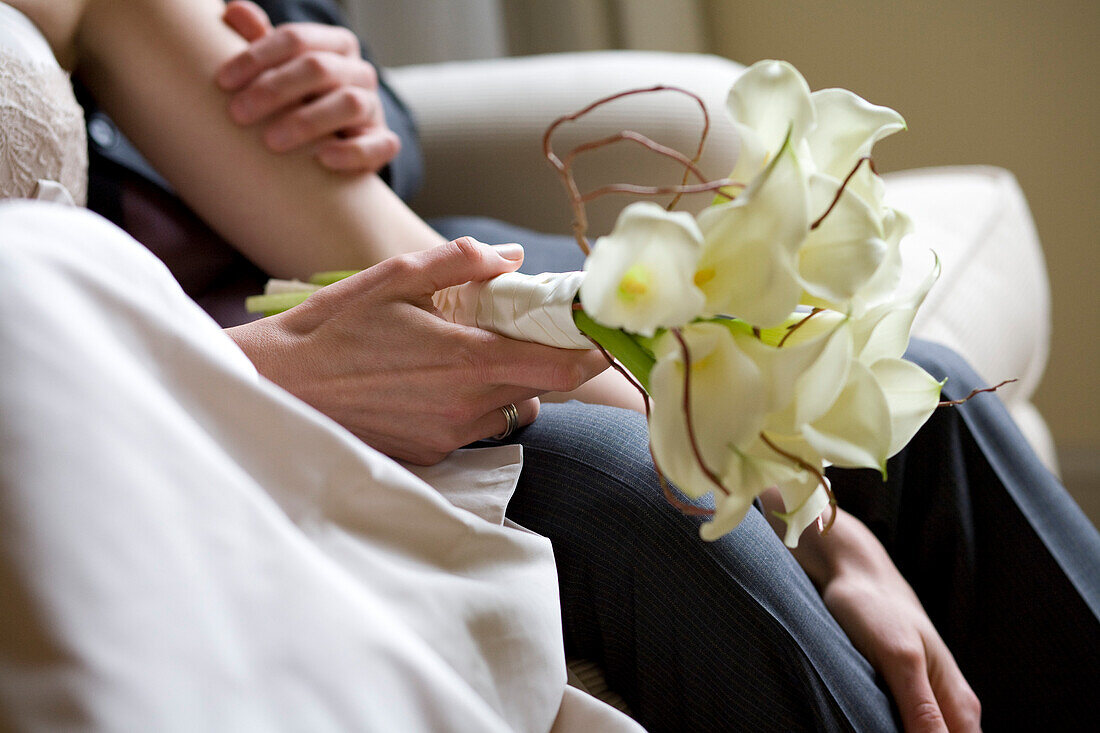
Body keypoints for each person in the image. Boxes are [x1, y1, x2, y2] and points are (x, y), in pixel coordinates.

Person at [2, 1, 1098, 731]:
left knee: (927, 404)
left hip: (253, 293)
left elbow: (357, 222)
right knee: (641, 492)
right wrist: (239, 375)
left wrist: (802, 506)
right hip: (100, 417)